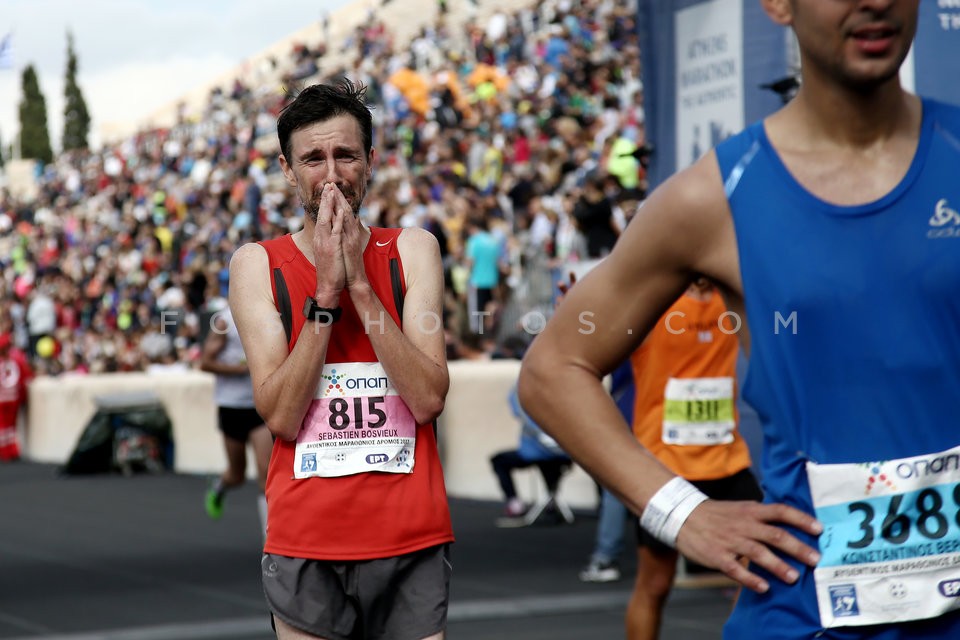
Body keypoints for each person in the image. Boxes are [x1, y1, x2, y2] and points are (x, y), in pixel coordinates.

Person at [519, 1, 960, 637]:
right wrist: (681, 513)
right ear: (778, 5)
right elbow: (553, 369)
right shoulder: (713, 197)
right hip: (804, 614)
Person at [229, 80, 454, 640]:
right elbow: (280, 414)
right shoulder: (258, 265)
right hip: (306, 539)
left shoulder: (411, 250)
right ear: (287, 169)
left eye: (345, 154)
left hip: (410, 536)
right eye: (313, 158)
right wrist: (324, 298)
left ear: (370, 161)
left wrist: (359, 286)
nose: (331, 173)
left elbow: (427, 398)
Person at [625, 279, 761, 640]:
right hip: (664, 468)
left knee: (762, 571)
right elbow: (589, 341)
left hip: (727, 460)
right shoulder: (652, 304)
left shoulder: (731, 299)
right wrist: (575, 314)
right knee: (655, 583)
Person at [199, 300, 273, 536]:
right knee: (237, 474)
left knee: (266, 474)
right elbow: (205, 363)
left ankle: (269, 538)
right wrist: (240, 370)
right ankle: (219, 487)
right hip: (231, 405)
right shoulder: (225, 320)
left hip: (258, 405)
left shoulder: (269, 314)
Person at [489, 384, 571, 527]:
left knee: (500, 461)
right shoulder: (562, 386)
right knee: (548, 462)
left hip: (540, 453)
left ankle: (516, 504)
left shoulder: (524, 387)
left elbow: (518, 409)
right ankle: (550, 501)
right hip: (563, 453)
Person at [0, 333, 32, 462]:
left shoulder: (13, 361)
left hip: (3, 399)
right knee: (10, 427)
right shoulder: (16, 360)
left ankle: (6, 451)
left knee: (4, 427)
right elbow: (25, 377)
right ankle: (11, 450)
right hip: (13, 398)